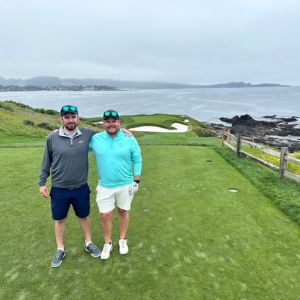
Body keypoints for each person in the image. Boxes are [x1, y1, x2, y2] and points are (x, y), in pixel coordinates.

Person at [39, 105, 102, 268]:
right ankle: (60, 249)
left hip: (81, 187)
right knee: (59, 220)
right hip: (59, 188)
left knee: (84, 217)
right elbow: (46, 161)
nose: (70, 120)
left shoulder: (88, 134)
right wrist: (42, 182)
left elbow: (108, 135)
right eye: (66, 117)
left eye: (73, 116)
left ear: (78, 118)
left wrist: (123, 131)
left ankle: (88, 243)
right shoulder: (52, 138)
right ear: (61, 119)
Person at [89, 109, 142, 260]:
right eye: (108, 121)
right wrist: (59, 132)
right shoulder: (96, 139)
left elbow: (137, 159)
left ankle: (122, 239)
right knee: (105, 215)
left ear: (118, 122)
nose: (111, 124)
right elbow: (78, 144)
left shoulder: (129, 138)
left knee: (123, 211)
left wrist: (136, 181)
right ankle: (108, 243)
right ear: (104, 123)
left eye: (114, 121)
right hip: (105, 185)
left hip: (125, 184)